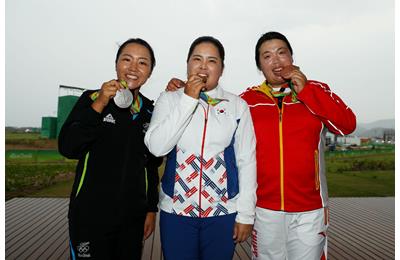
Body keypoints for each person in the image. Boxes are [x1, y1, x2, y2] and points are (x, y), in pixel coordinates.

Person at [240, 31, 356, 259]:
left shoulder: (317, 90)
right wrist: (186, 93)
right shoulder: (247, 100)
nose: (276, 61)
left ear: (292, 57)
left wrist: (306, 91)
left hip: (310, 209)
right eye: (267, 56)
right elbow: (215, 116)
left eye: (281, 53)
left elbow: (347, 125)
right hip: (264, 209)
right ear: (260, 66)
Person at [144, 36, 257, 260]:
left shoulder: (237, 106)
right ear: (187, 64)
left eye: (212, 61)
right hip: (176, 211)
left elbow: (247, 160)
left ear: (222, 69)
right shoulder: (169, 99)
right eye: (197, 59)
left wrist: (246, 214)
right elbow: (157, 148)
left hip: (223, 212)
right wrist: (187, 99)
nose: (203, 66)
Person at [58, 38, 162, 260]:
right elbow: (68, 147)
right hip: (89, 217)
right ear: (116, 64)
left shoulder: (150, 112)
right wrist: (100, 104)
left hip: (132, 219)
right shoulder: (92, 99)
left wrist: (151, 208)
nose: (133, 68)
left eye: (142, 63)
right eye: (127, 59)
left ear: (150, 72)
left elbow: (151, 167)